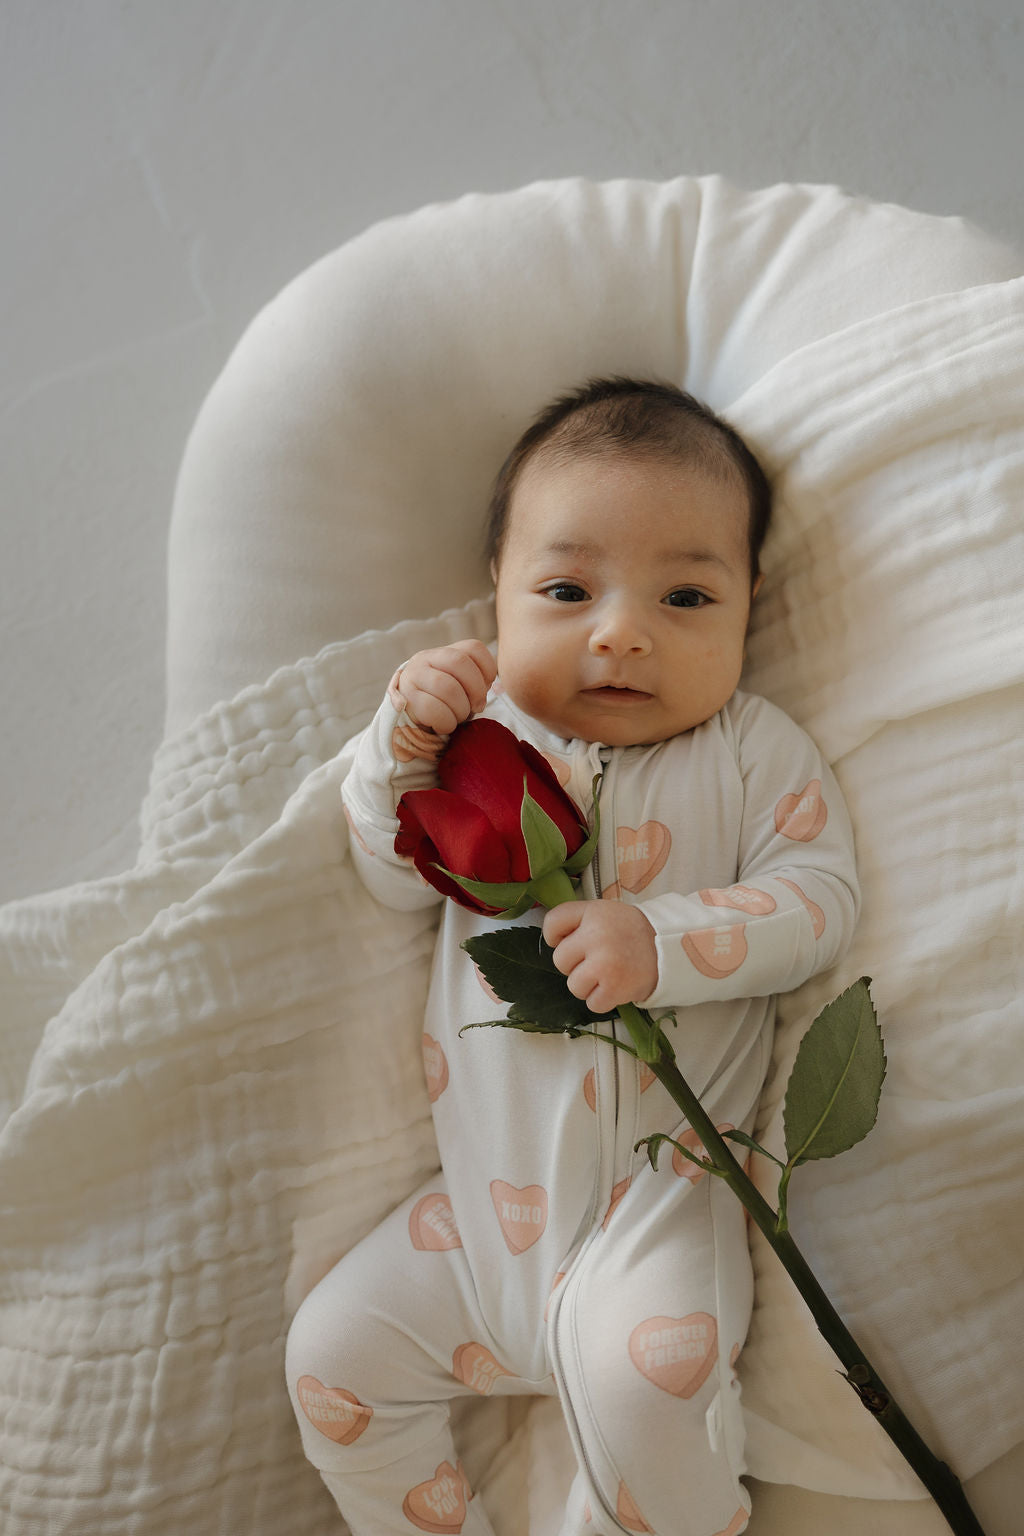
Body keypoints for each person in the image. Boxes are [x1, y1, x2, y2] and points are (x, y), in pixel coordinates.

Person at [285, 378, 859, 1536]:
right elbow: (390, 873)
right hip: (481, 1226)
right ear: (494, 600)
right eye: (564, 589)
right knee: (331, 1359)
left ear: (753, 605)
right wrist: (396, 753)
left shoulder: (752, 750)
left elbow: (818, 904)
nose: (621, 630)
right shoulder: (477, 739)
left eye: (686, 594)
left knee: (648, 1394)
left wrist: (666, 940)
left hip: (657, 1210)